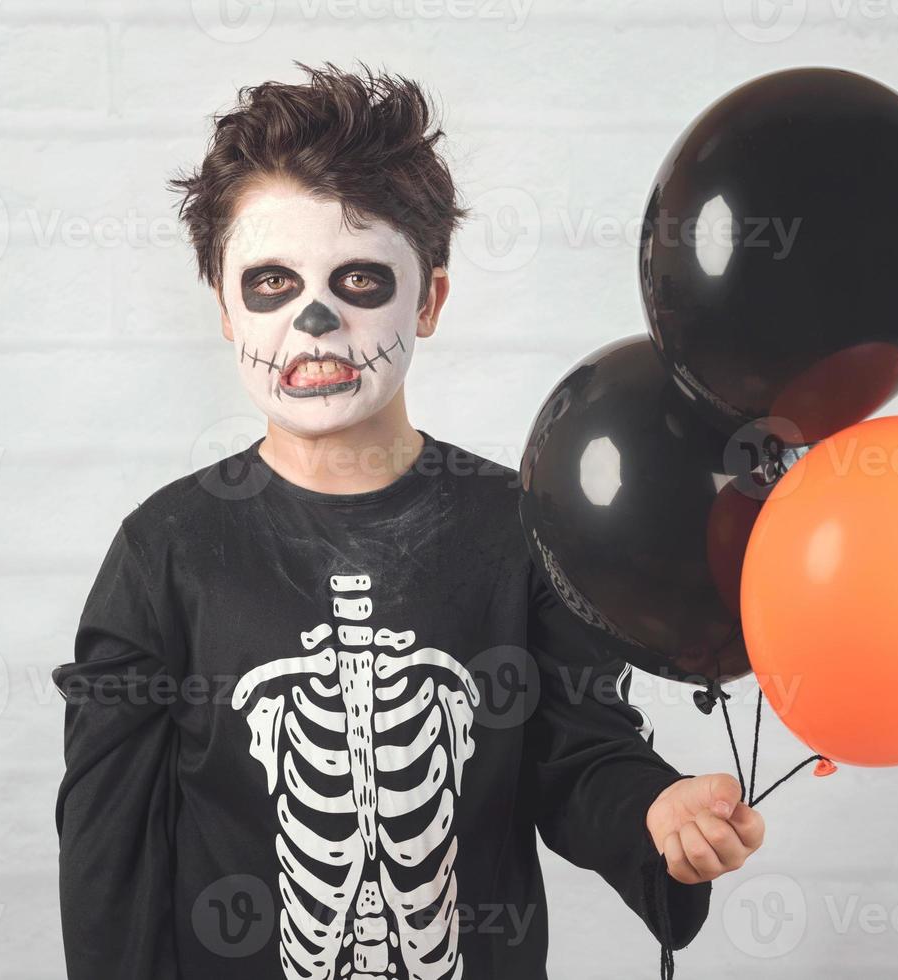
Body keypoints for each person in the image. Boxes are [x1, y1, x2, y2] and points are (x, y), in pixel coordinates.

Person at [53, 63, 765, 980]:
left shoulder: (522, 527)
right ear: (225, 307)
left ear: (428, 300)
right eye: (270, 282)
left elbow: (580, 751)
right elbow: (110, 855)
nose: (314, 320)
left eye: (359, 280)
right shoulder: (166, 550)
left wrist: (654, 812)